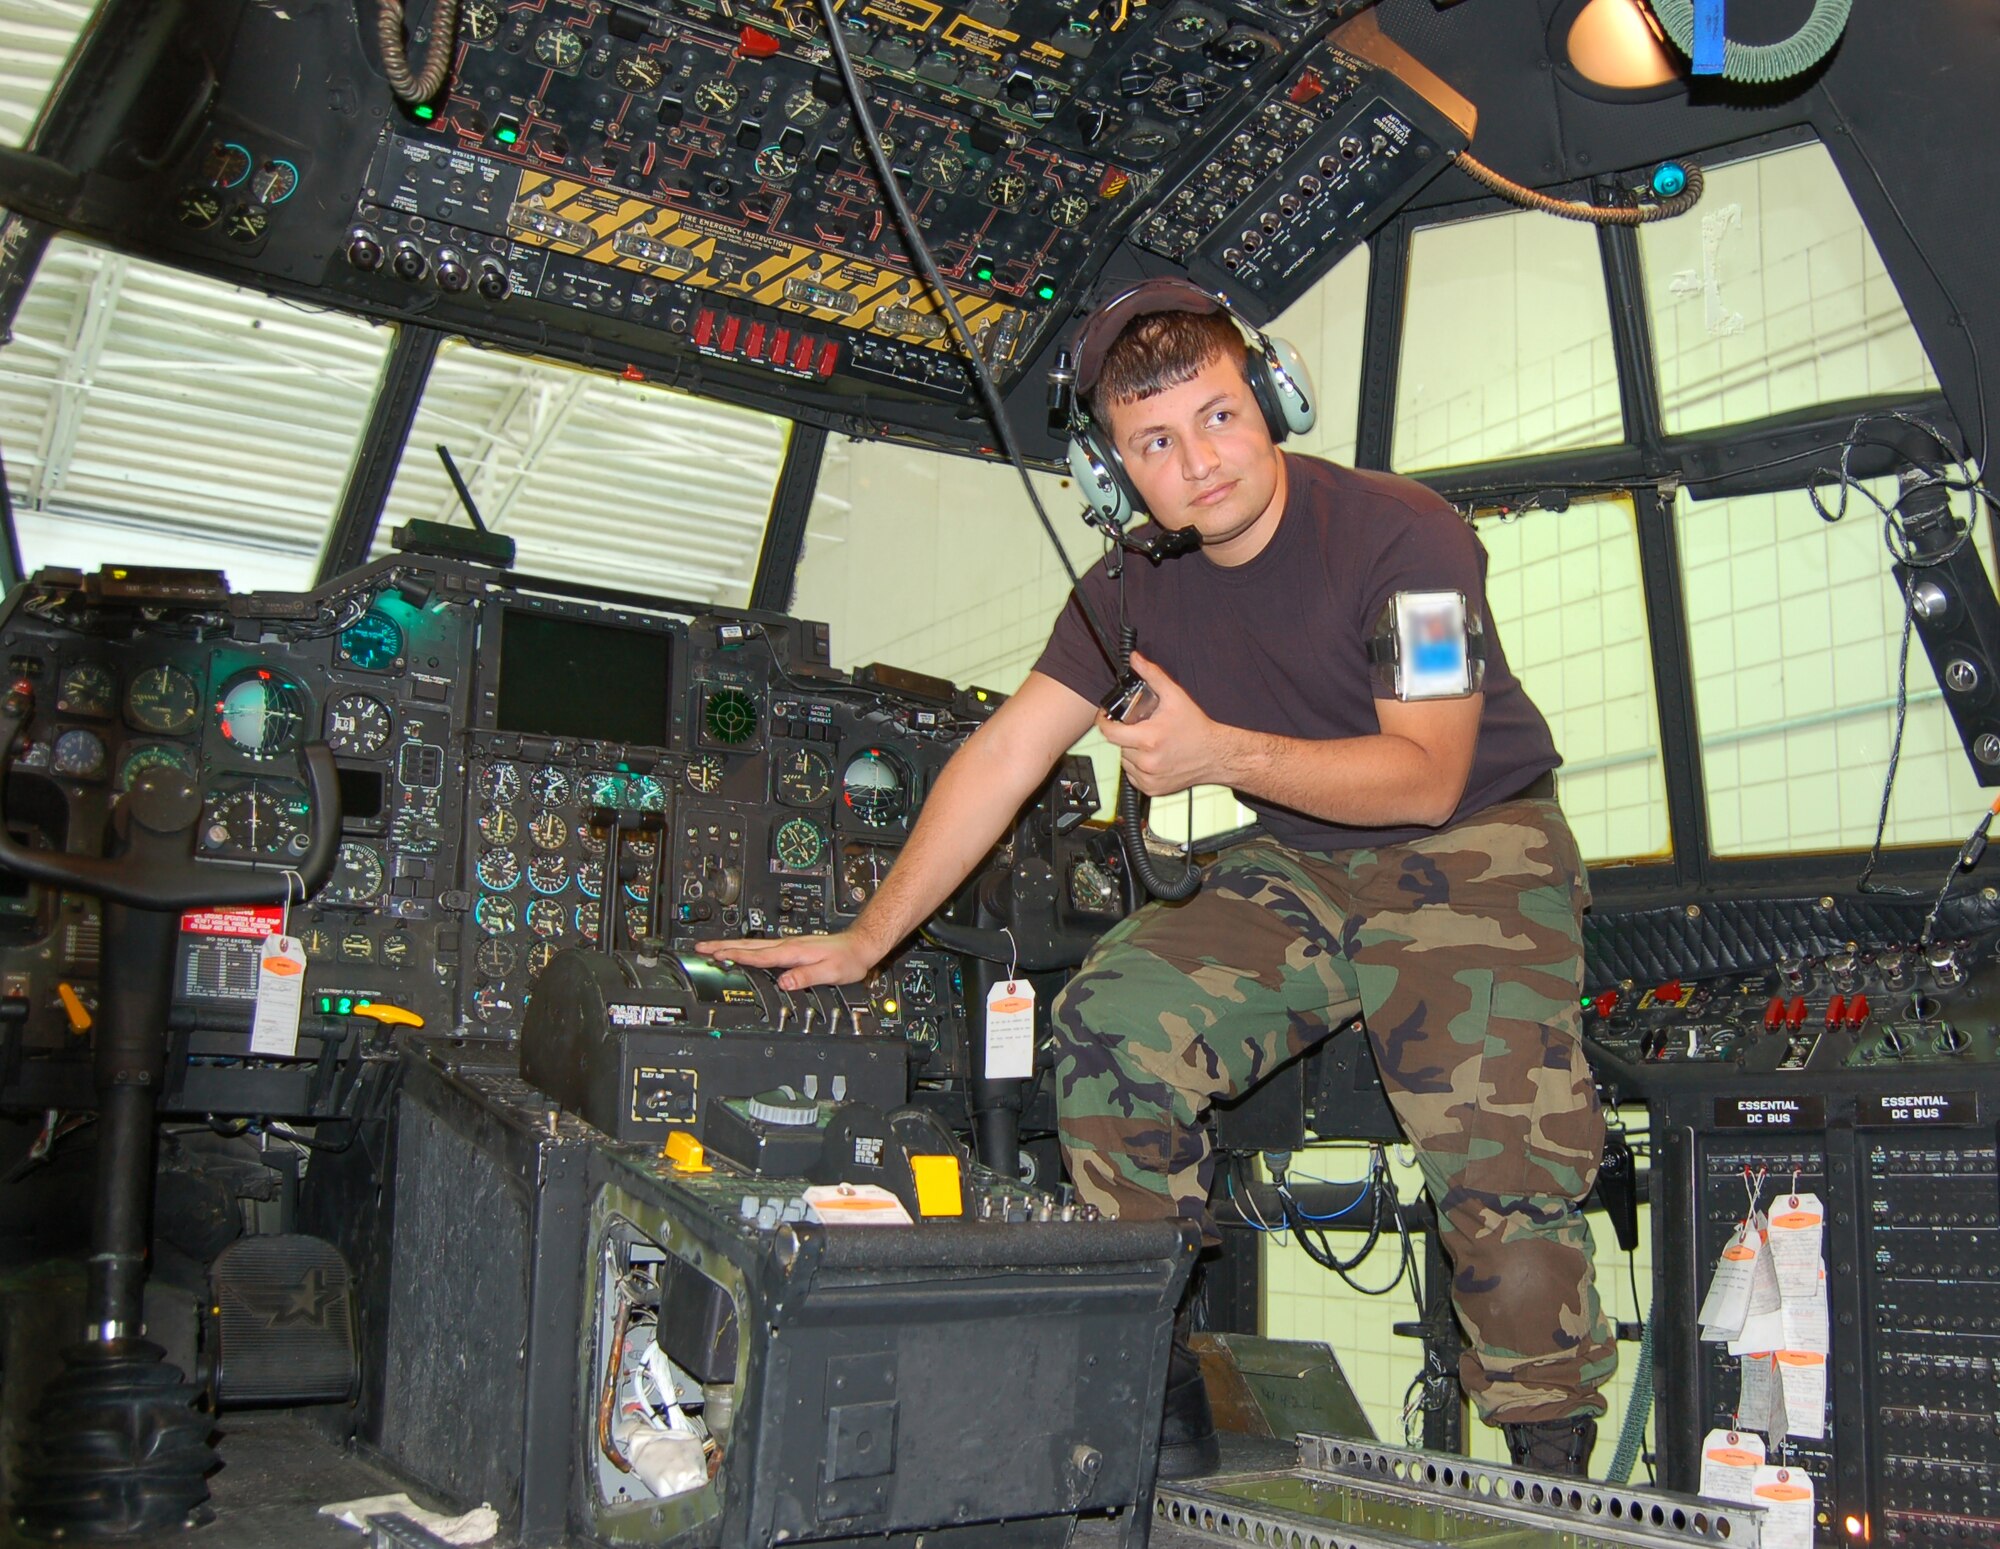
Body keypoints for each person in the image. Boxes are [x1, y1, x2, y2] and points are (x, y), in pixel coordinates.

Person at [699, 279, 1615, 1480]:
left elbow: (1427, 776)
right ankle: (1159, 1373)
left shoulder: (1407, 539)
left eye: (1220, 415)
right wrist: (865, 940)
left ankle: (1549, 1457)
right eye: (1157, 442)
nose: (1202, 461)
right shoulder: (1125, 587)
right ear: (1111, 469)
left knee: (1494, 1146)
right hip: (1297, 863)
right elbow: (1004, 754)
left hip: (1474, 843)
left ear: (1269, 397)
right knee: (1107, 1030)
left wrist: (1219, 752)